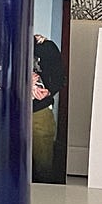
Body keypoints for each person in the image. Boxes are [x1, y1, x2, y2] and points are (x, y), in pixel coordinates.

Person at [32, 32, 66, 180]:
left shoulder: (46, 47)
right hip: (6, 111)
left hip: (39, 110)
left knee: (43, 165)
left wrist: (48, 91)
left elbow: (60, 78)